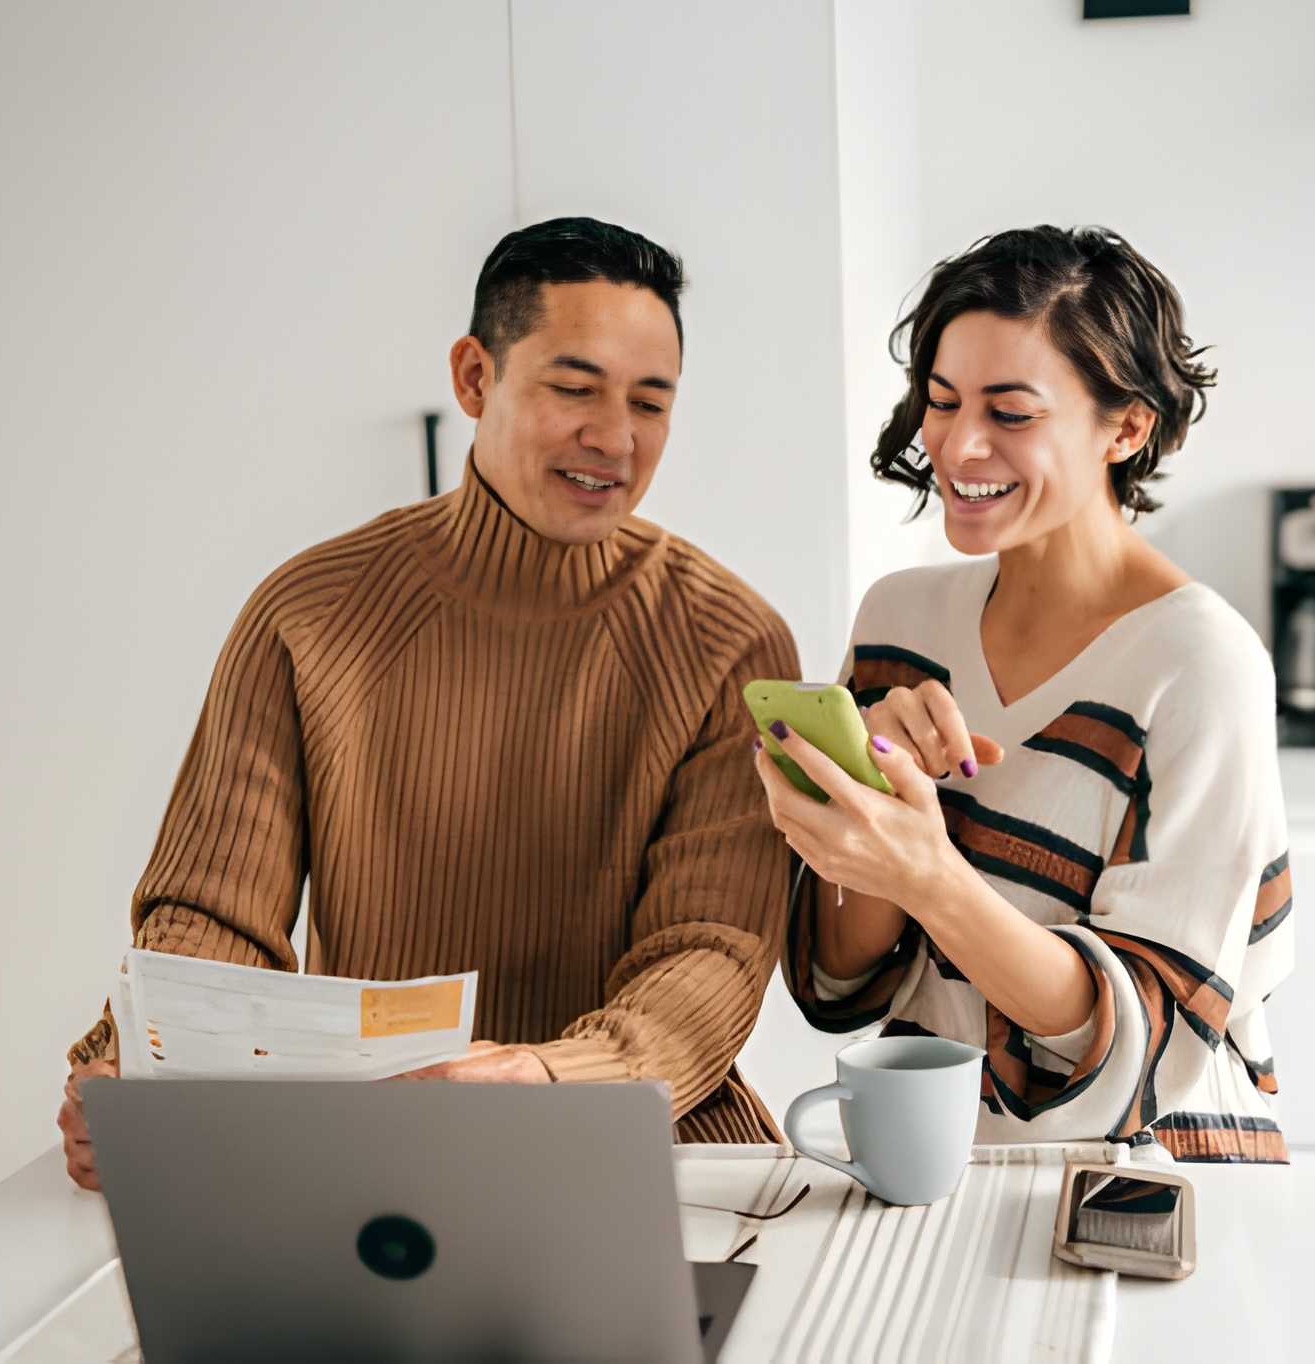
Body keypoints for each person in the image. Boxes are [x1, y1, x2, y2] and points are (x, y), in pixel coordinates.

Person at [58, 217, 799, 1189]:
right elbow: (211, 915)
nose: (614, 437)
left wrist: (547, 1074)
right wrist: (143, 1060)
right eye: (573, 388)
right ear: (474, 377)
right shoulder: (309, 611)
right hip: (376, 1149)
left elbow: (709, 951)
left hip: (645, 1148)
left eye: (648, 403)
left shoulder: (728, 642)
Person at [758, 226, 1292, 1161]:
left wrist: (931, 875)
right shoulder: (900, 619)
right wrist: (874, 806)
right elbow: (838, 986)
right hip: (934, 1163)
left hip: (1149, 1182)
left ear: (1126, 427)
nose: (957, 445)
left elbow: (1137, 1050)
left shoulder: (1201, 663)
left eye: (1010, 413)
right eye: (941, 401)